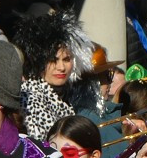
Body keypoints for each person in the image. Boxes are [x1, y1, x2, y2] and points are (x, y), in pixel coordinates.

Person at [13, 9, 102, 142]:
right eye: (52, 60)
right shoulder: (30, 97)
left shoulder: (71, 94)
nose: (61, 68)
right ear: (38, 61)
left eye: (66, 59)